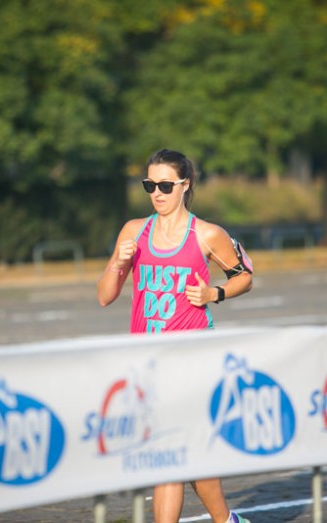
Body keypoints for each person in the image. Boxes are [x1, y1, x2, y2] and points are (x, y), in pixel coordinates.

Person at [97, 149, 253, 523]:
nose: (157, 193)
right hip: (147, 363)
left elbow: (244, 276)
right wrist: (119, 263)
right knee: (179, 455)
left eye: (165, 186)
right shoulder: (134, 231)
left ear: (185, 185)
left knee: (170, 452)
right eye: (149, 185)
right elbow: (104, 296)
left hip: (191, 359)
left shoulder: (207, 234)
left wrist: (213, 293)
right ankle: (228, 521)